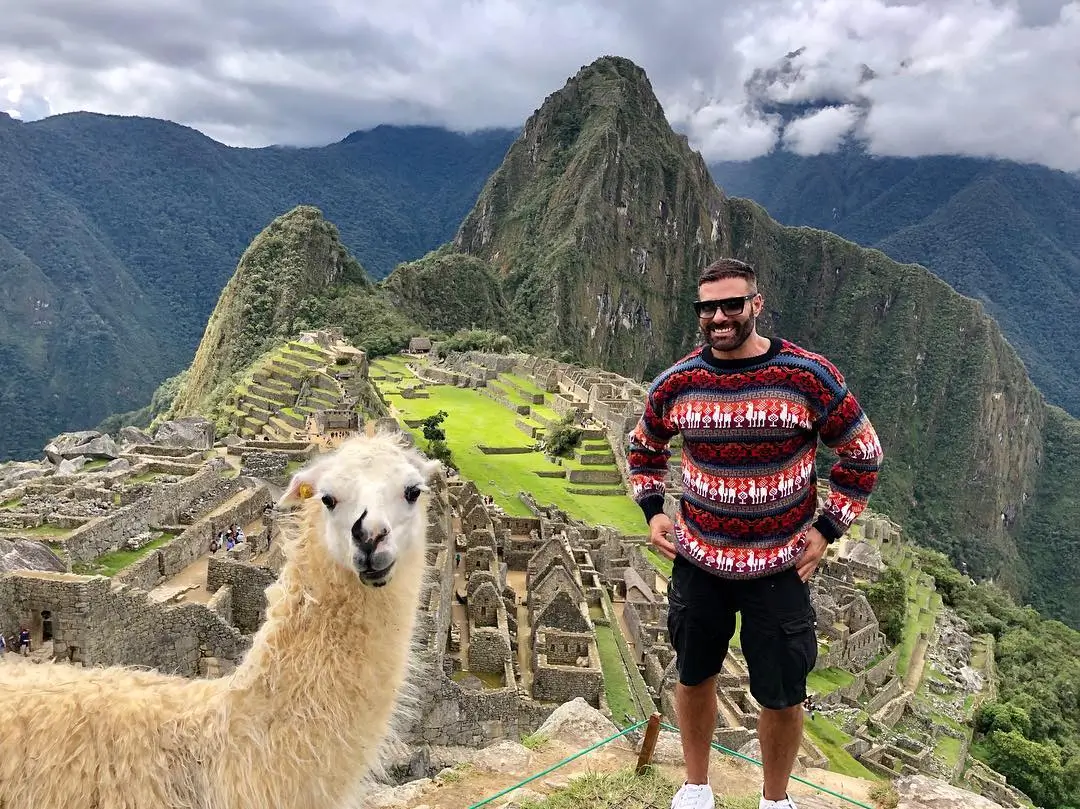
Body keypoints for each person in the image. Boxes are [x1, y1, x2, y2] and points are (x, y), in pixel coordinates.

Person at [627, 258, 883, 809]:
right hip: (699, 562)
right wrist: (653, 511)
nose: (719, 317)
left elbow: (863, 454)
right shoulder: (678, 382)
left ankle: (775, 799)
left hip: (779, 567)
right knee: (694, 676)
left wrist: (828, 528)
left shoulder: (807, 376)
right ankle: (696, 786)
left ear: (756, 304)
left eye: (732, 304)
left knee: (783, 694)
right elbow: (644, 450)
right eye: (708, 308)